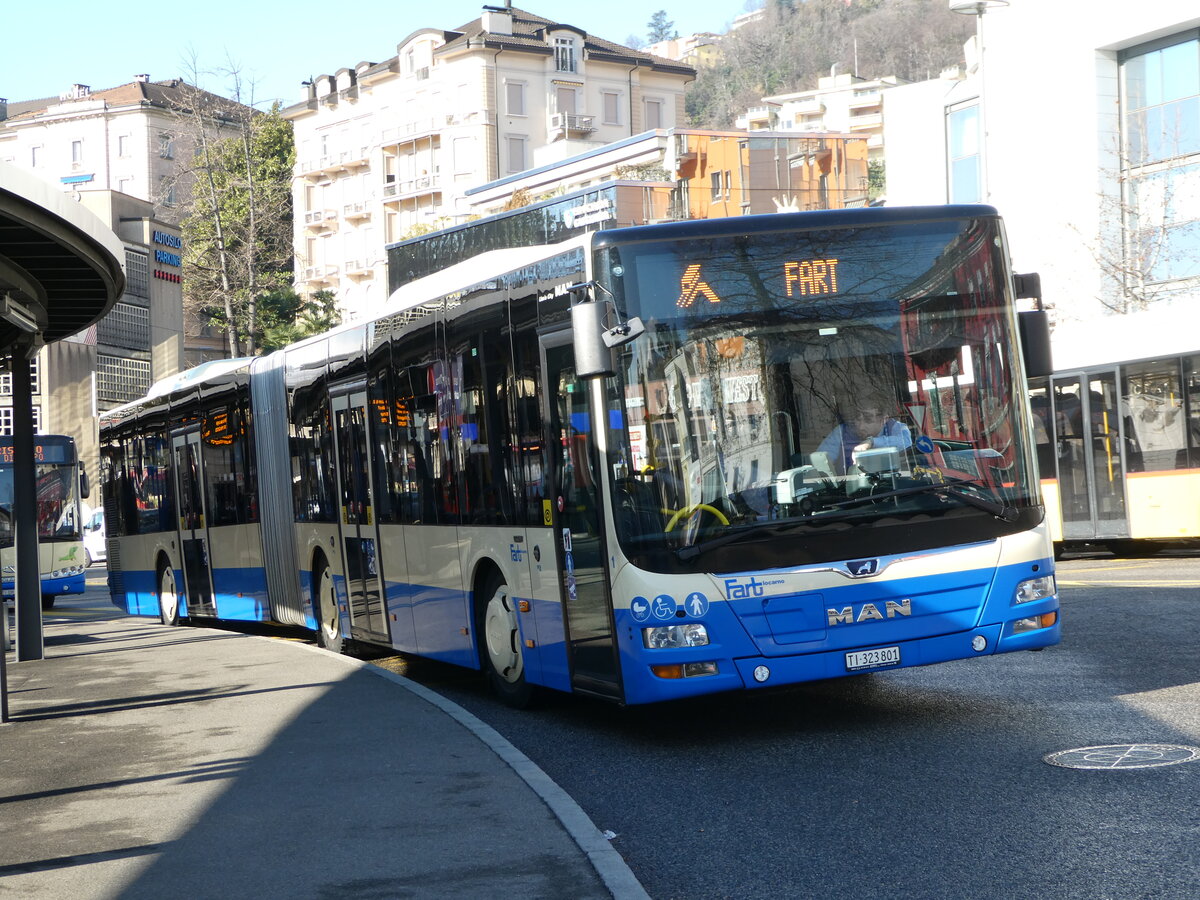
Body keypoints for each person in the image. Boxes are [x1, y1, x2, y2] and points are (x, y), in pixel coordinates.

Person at [816, 403, 912, 475]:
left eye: (868, 419)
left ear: (884, 420)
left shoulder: (895, 427)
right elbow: (820, 460)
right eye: (858, 418)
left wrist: (871, 442)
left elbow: (905, 441)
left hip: (893, 492)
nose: (861, 426)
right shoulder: (843, 431)